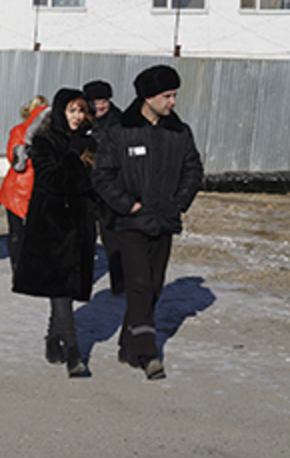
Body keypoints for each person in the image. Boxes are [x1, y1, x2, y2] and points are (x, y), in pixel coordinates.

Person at [93, 65, 203, 380]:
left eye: (174, 95)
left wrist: (179, 202)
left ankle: (129, 344)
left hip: (164, 221)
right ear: (148, 96)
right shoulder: (120, 131)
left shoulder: (179, 132)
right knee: (139, 285)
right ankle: (148, 352)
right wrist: (128, 205)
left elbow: (193, 170)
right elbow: (102, 175)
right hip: (130, 224)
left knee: (153, 288)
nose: (173, 102)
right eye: (167, 96)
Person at [12, 89, 97, 378]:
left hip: (81, 225)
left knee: (67, 289)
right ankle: (74, 351)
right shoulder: (45, 141)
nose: (77, 117)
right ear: (61, 111)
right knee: (61, 288)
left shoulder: (91, 141)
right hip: (51, 224)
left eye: (81, 111)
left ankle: (51, 338)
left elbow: (93, 182)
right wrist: (73, 156)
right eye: (72, 110)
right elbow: (52, 179)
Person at [83, 79, 126, 294]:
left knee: (112, 238)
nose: (100, 106)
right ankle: (82, 279)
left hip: (109, 188)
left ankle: (119, 283)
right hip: (85, 188)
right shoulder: (83, 120)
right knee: (84, 236)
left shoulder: (119, 122)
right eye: (95, 102)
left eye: (104, 101)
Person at [0, 95, 48, 274]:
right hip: (22, 188)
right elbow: (16, 160)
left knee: (19, 233)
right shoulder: (22, 132)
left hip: (22, 188)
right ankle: (21, 268)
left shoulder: (18, 130)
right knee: (21, 233)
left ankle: (20, 267)